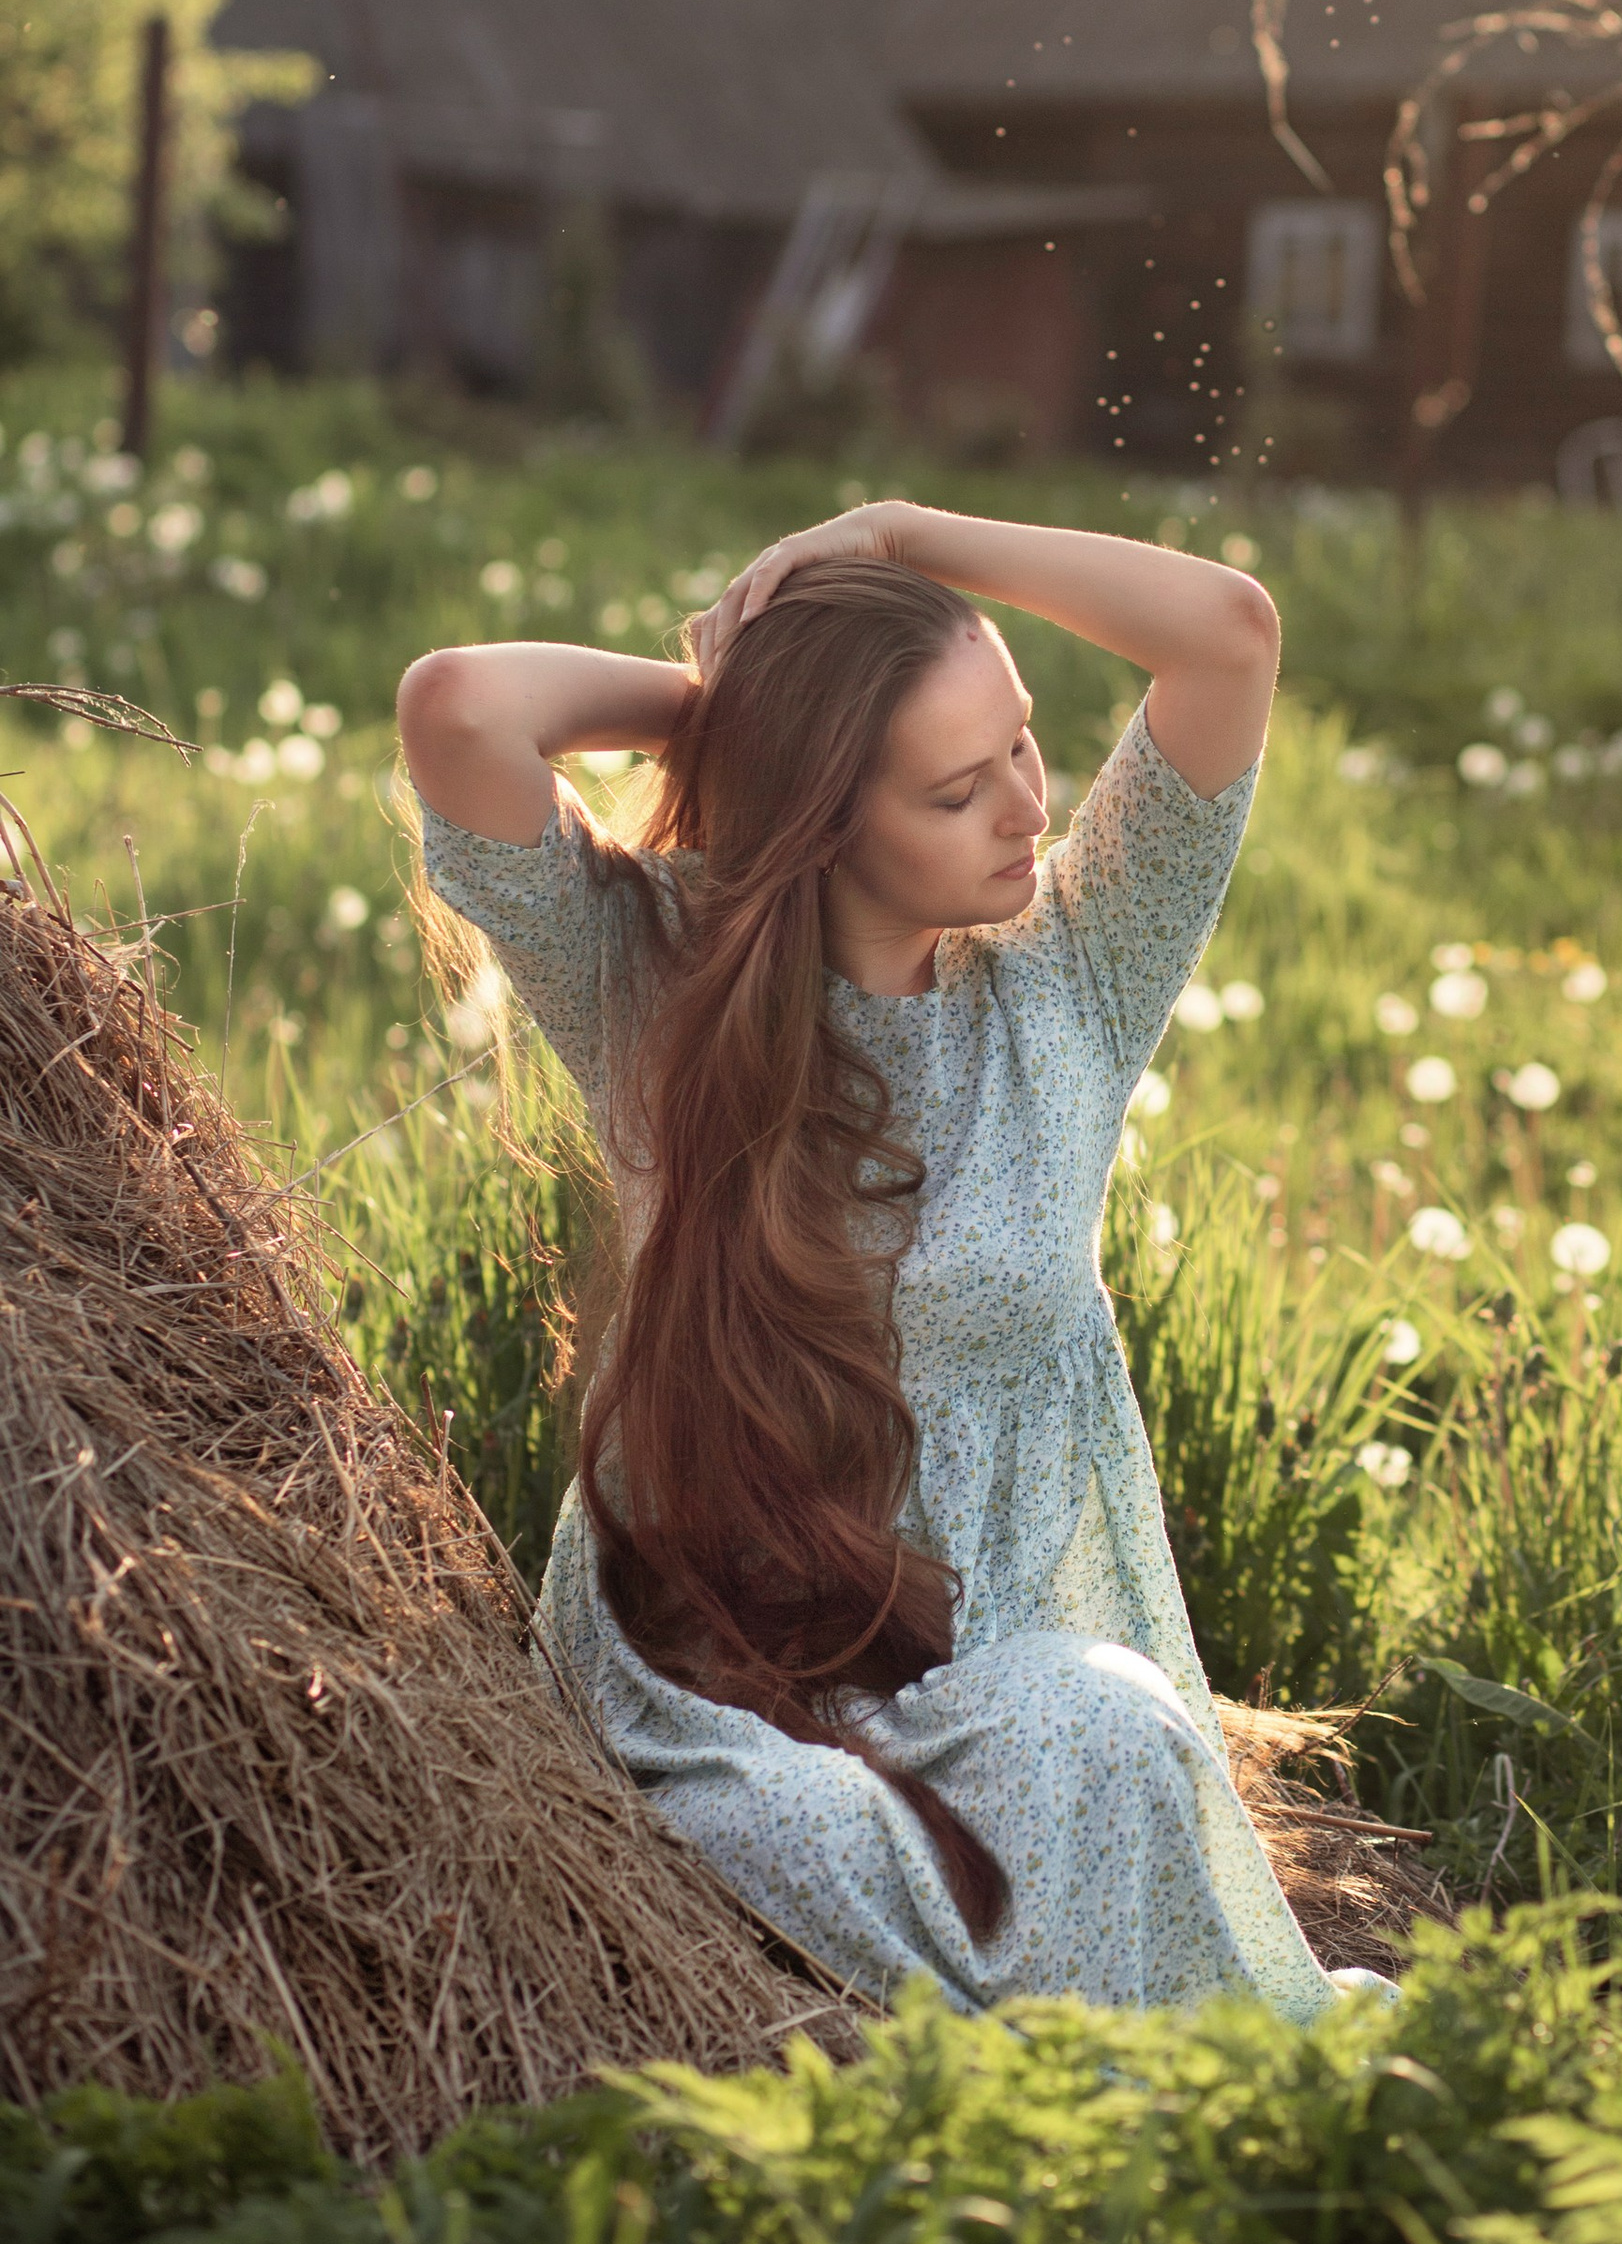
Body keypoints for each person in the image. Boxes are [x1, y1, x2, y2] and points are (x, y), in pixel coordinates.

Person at [397, 500, 1371, 2020]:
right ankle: (994, 2087)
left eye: (1025, 749)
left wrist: (912, 539)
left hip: (992, 1666)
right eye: (955, 791)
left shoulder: (1078, 968)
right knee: (791, 1829)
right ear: (822, 819)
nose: (1029, 811)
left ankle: (1054, 2095)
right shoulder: (649, 982)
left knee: (1108, 1734)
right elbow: (458, 708)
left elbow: (1228, 636)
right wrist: (734, 717)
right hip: (727, 1679)